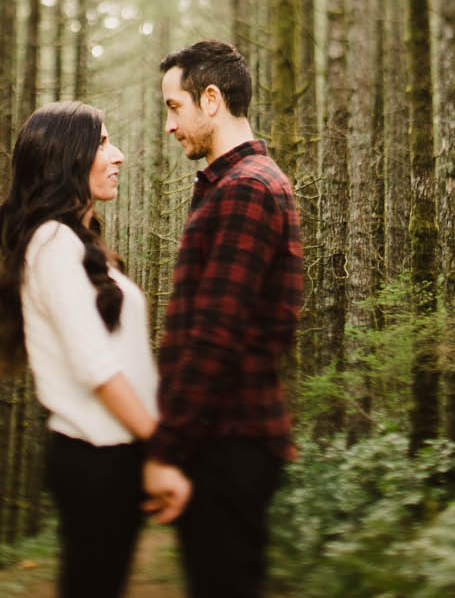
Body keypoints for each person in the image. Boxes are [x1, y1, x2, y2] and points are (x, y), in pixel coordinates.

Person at [144, 39, 304, 598]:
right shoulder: (231, 186)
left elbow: (214, 339)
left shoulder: (246, 190)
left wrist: (168, 451)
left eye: (173, 107)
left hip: (229, 446)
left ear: (211, 99)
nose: (170, 126)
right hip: (226, 441)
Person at [0, 101, 159, 598]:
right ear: (69, 157)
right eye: (104, 143)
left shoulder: (73, 244)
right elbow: (96, 367)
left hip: (114, 457)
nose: (119, 156)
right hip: (94, 462)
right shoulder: (51, 245)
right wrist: (165, 444)